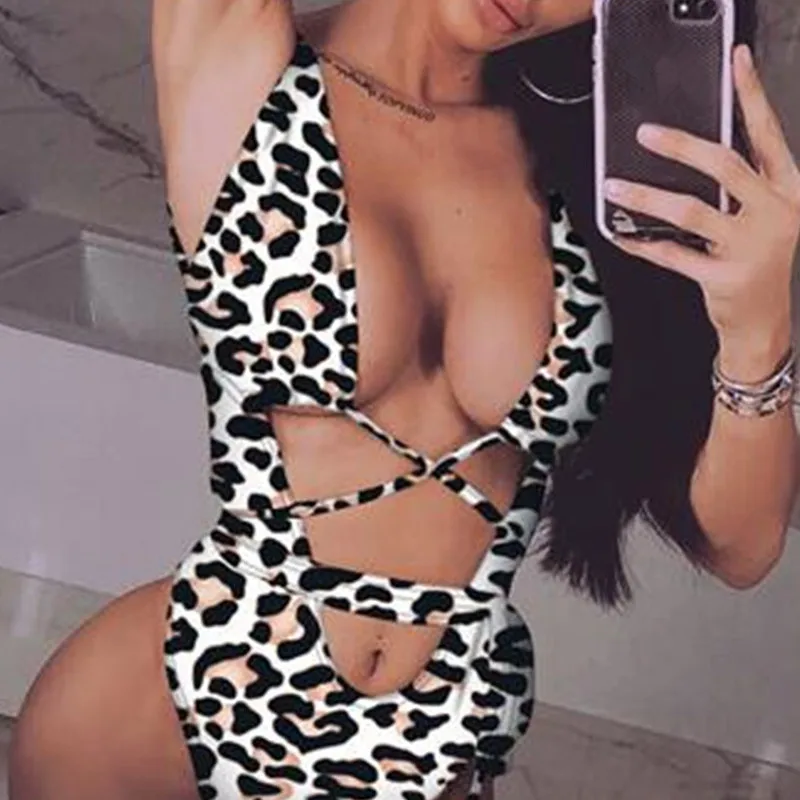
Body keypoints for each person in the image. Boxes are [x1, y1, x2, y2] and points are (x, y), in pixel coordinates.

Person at [8, 1, 800, 799]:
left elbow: (739, 545)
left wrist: (758, 325)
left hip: (429, 750)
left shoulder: (588, 172)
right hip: (150, 732)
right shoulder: (239, 55)